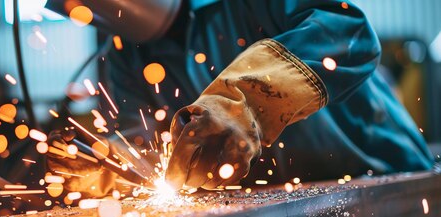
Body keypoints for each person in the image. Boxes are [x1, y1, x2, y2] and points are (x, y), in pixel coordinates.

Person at [48, 0, 434, 194]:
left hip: (391, 194)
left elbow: (349, 32)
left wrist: (245, 101)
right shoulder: (125, 56)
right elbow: (149, 148)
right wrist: (114, 165)